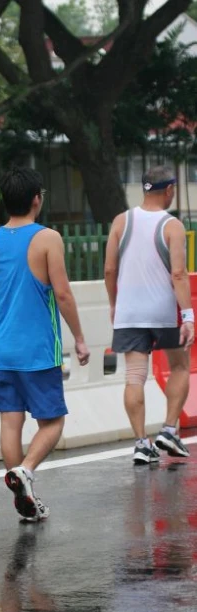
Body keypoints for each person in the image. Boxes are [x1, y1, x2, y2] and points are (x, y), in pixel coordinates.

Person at [0, 166, 89, 522]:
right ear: (36, 200)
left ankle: (24, 491)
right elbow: (63, 293)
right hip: (37, 353)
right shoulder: (47, 239)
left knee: (11, 423)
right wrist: (81, 338)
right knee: (53, 422)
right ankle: (25, 471)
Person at [104, 165, 195, 465]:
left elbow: (109, 270)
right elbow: (179, 274)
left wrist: (115, 303)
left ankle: (141, 443)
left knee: (134, 377)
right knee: (180, 367)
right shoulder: (172, 226)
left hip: (129, 311)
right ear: (169, 190)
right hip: (162, 311)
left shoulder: (121, 221)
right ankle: (169, 429)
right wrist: (188, 315)